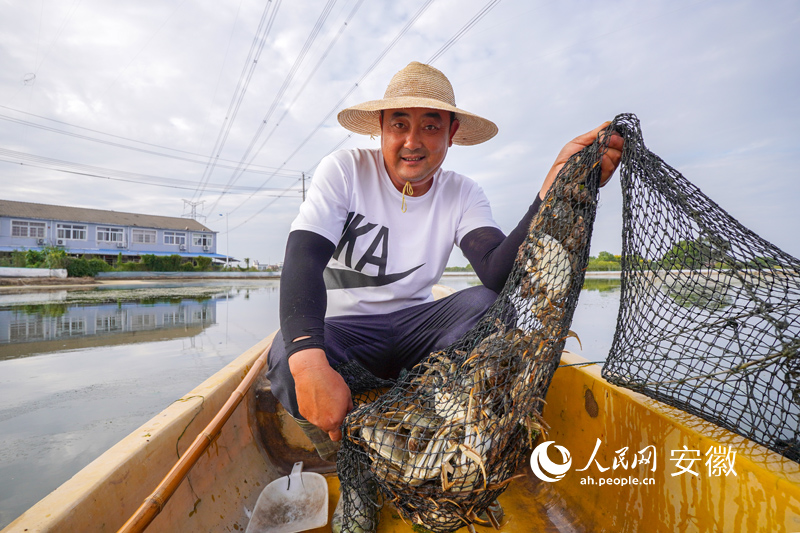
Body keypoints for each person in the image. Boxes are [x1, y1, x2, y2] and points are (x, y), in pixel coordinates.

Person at [266, 61, 623, 458]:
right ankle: (345, 462)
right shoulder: (345, 171)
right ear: (381, 127)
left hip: (418, 331)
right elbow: (302, 258)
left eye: (431, 127)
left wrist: (550, 191)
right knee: (287, 356)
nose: (412, 142)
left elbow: (496, 271)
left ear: (452, 134)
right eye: (399, 125)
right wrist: (310, 365)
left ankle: (439, 435)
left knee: (487, 306)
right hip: (348, 332)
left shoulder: (462, 193)